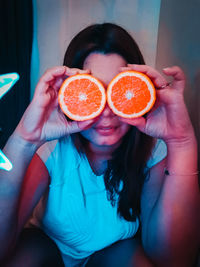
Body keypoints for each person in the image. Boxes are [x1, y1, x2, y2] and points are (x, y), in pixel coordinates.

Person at [0, 23, 199, 267]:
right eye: (92, 92)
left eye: (119, 91)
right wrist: (24, 139)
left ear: (139, 92)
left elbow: (175, 261)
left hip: (113, 255)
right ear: (70, 94)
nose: (106, 112)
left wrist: (182, 143)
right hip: (47, 250)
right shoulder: (51, 147)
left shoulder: (153, 151)